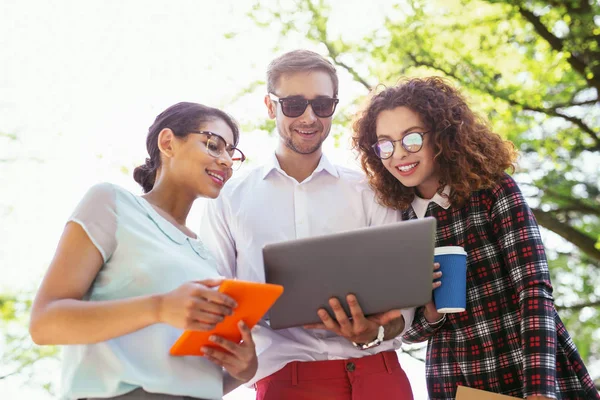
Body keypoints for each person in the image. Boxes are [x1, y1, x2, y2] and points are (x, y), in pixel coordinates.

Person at [352, 76, 600, 400]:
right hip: (456, 385)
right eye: (385, 144)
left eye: (411, 139)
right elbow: (409, 331)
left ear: (441, 136)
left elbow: (534, 291)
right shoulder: (397, 220)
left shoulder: (494, 191)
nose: (398, 154)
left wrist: (540, 389)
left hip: (528, 372)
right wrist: (429, 313)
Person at [201, 49, 415, 400]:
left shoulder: (370, 190)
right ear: (270, 107)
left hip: (380, 376)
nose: (310, 117)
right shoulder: (229, 199)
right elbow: (215, 302)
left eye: (323, 105)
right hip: (286, 384)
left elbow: (403, 305)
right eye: (294, 104)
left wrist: (373, 331)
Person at [29, 102, 258, 400]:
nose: (227, 161)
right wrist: (159, 308)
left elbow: (185, 372)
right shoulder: (112, 203)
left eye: (232, 153)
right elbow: (44, 324)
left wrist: (241, 373)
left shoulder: (205, 256)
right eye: (214, 145)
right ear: (168, 143)